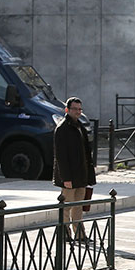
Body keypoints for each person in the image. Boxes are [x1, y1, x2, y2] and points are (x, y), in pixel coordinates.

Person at [53, 97, 96, 242]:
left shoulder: (80, 127)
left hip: (81, 175)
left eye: (79, 109)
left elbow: (85, 153)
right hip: (70, 176)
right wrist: (66, 178)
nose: (78, 112)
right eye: (74, 109)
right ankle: (65, 234)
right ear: (67, 110)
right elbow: (61, 156)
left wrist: (89, 176)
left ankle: (80, 234)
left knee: (78, 207)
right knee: (66, 207)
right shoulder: (62, 128)